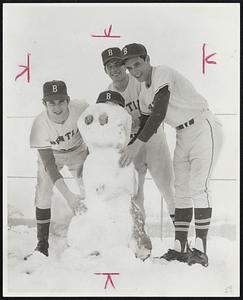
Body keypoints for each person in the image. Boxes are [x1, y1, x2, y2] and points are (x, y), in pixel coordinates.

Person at [120, 43, 223, 267]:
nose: (134, 71)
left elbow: (159, 113)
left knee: (199, 186)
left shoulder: (162, 72)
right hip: (182, 133)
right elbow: (148, 120)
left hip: (203, 125)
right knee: (181, 191)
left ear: (147, 59)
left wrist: (137, 145)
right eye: (129, 68)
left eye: (137, 64)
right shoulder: (144, 91)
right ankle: (180, 249)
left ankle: (200, 251)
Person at [101, 47, 175, 260]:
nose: (115, 69)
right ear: (105, 70)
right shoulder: (108, 93)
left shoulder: (139, 81)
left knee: (168, 189)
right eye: (110, 66)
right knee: (134, 196)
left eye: (118, 64)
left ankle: (182, 242)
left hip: (153, 142)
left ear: (125, 66)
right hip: (131, 147)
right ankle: (142, 244)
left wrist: (137, 123)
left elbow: (154, 112)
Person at [26, 80, 89, 259]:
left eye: (60, 101)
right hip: (53, 155)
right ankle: (42, 244)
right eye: (51, 102)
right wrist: (69, 197)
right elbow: (50, 165)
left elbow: (94, 134)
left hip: (78, 151)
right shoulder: (40, 124)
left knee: (91, 188)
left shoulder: (82, 108)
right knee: (43, 192)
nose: (57, 106)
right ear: (44, 103)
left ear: (68, 100)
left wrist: (92, 164)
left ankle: (95, 238)